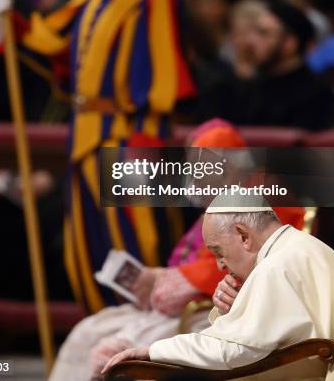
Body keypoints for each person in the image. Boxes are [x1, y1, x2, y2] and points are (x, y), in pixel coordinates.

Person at [0, 0, 196, 313]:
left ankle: (145, 349)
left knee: (135, 251)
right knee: (90, 255)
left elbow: (162, 93)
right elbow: (45, 41)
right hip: (83, 140)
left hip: (131, 145)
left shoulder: (154, 0)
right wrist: (7, 14)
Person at [49, 121, 305, 380]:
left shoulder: (261, 195)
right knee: (88, 331)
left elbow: (252, 260)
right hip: (185, 307)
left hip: (211, 309)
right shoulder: (219, 201)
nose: (195, 180)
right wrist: (159, 280)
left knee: (114, 352)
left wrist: (177, 281)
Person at [103, 194, 334, 378]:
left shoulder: (275, 266)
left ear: (243, 235)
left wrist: (152, 351)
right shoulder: (305, 247)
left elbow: (235, 350)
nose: (220, 265)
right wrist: (235, 308)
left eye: (218, 252)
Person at [219, 0, 334, 129]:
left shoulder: (315, 95)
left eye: (263, 33)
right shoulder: (249, 86)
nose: (251, 41)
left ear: (290, 43)